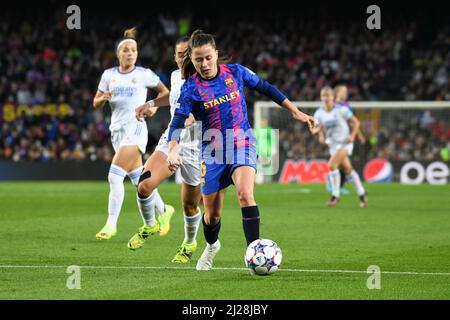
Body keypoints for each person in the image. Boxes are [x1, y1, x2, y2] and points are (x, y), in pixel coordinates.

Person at [166, 30, 315, 271]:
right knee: (211, 215)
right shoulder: (190, 89)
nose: (204, 64)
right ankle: (212, 245)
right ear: (191, 61)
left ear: (216, 53)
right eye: (198, 60)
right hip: (212, 151)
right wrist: (173, 150)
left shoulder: (235, 72)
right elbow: (177, 121)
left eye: (208, 58)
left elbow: (266, 87)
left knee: (245, 194)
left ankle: (255, 254)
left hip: (241, 143)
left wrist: (295, 111)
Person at [93, 27, 172, 240]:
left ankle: (111, 224)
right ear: (118, 54)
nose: (130, 53)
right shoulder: (108, 75)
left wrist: (153, 107)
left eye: (134, 50)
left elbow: (165, 93)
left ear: (137, 54)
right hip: (117, 132)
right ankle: (165, 211)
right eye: (126, 50)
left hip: (136, 128)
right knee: (140, 180)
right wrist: (103, 99)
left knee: (114, 176)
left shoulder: (144, 74)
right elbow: (95, 103)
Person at [129, 36, 202, 263]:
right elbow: (173, 97)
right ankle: (150, 225)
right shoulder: (174, 75)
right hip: (170, 141)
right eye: (179, 55)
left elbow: (190, 116)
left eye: (186, 55)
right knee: (144, 185)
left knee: (190, 206)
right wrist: (150, 104)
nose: (182, 59)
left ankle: (189, 243)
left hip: (197, 148)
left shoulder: (203, 80)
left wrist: (185, 125)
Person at [311, 86, 368, 208]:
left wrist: (353, 136)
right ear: (321, 97)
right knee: (348, 170)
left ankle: (335, 196)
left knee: (331, 165)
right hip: (332, 144)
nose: (326, 98)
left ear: (333, 97)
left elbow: (356, 122)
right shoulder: (319, 113)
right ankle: (362, 194)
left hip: (345, 142)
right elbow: (317, 128)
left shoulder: (342, 110)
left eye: (328, 95)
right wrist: (318, 133)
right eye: (323, 96)